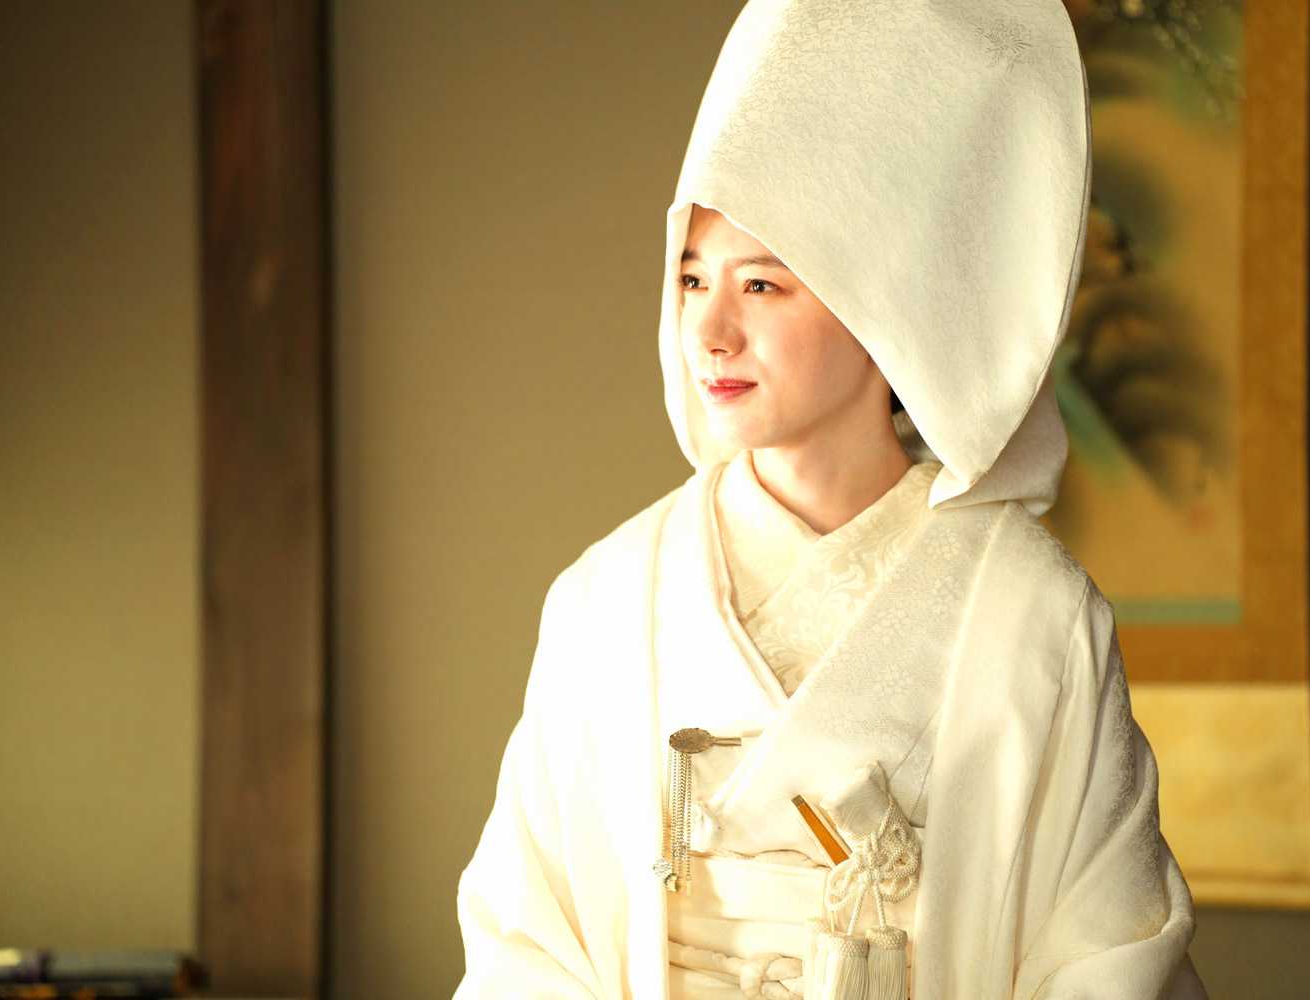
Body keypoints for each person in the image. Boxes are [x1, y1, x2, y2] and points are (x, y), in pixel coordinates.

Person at [454, 1, 1208, 997]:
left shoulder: (1035, 619)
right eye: (692, 280)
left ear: (887, 312)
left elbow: (1108, 958)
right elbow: (524, 949)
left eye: (761, 287)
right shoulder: (604, 602)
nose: (709, 331)